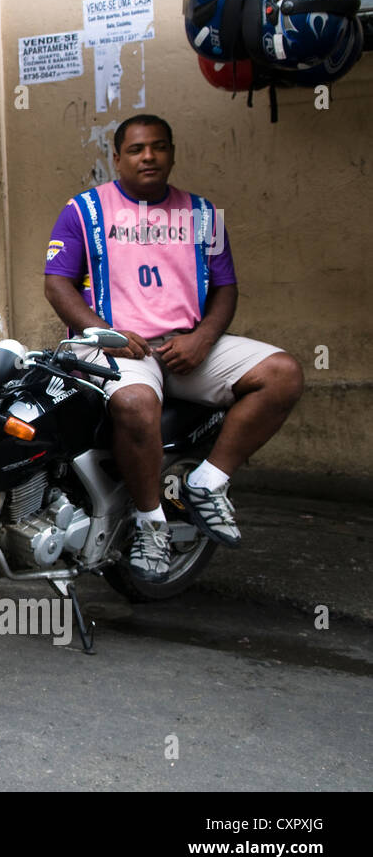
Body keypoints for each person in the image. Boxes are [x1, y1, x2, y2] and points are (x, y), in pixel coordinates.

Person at [43, 115, 303, 579]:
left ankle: (207, 482)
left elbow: (226, 288)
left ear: (172, 154)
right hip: (120, 347)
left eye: (159, 147)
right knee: (136, 403)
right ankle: (150, 524)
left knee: (283, 374)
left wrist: (204, 338)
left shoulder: (203, 214)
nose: (149, 156)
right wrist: (107, 333)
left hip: (185, 346)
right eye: (138, 149)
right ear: (117, 158)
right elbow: (57, 284)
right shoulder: (84, 209)